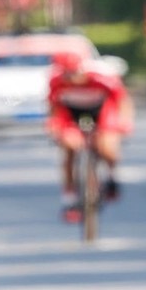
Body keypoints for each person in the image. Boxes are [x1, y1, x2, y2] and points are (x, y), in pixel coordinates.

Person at [47, 51, 134, 222]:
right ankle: (70, 197)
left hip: (102, 112)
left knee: (107, 147)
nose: (72, 78)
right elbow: (54, 107)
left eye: (75, 73)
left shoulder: (102, 79)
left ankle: (111, 177)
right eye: (67, 74)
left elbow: (122, 101)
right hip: (71, 114)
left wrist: (124, 122)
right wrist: (56, 128)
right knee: (69, 149)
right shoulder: (56, 82)